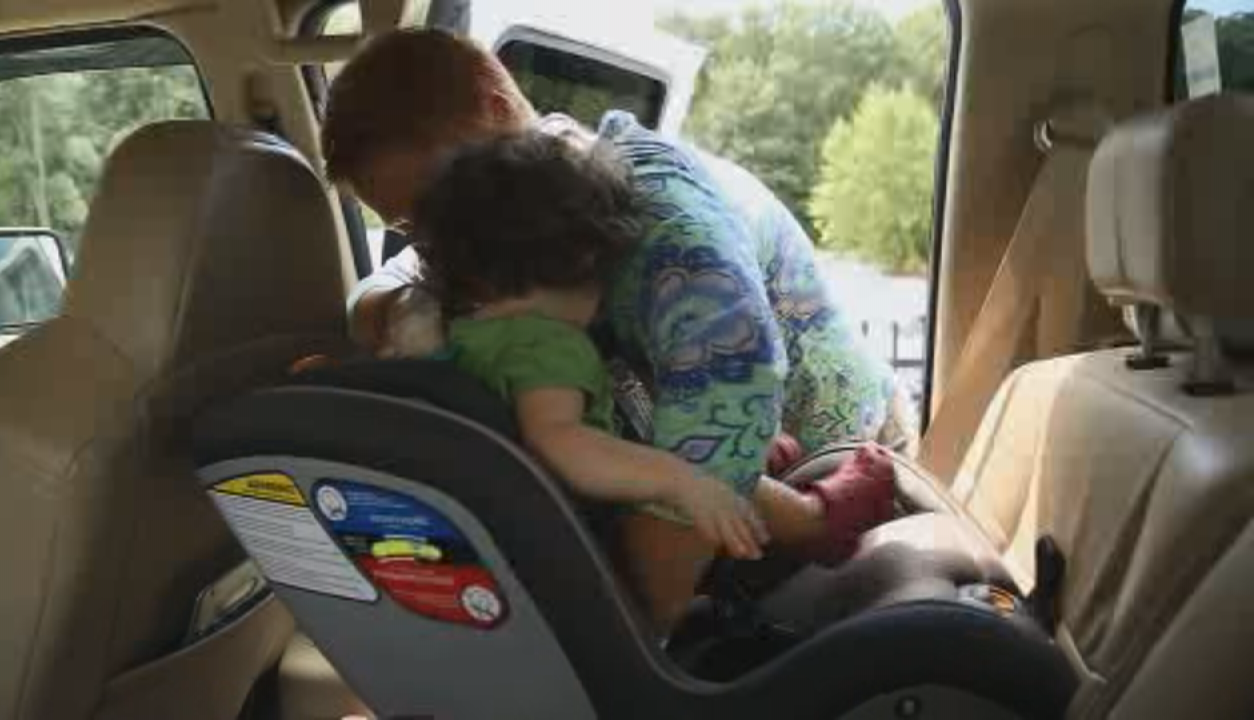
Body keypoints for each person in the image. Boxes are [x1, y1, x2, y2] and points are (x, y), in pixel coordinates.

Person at [321, 29, 914, 627]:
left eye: (425, 210)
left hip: (832, 451)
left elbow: (723, 414)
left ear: (494, 111)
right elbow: (381, 293)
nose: (429, 244)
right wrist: (403, 310)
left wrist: (627, 650)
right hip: (698, 444)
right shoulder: (491, 210)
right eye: (405, 225)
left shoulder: (659, 226)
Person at [408, 129, 895, 629]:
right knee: (699, 488)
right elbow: (560, 439)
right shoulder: (544, 345)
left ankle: (763, 472)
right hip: (590, 539)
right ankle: (818, 521)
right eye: (594, 273)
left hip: (528, 541)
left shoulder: (463, 338)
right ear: (576, 261)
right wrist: (680, 480)